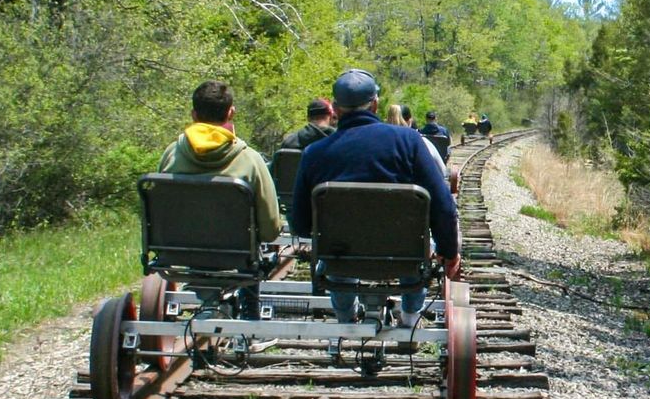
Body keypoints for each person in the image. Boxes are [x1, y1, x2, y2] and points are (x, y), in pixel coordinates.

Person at [290, 69, 461, 327]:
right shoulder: (410, 141)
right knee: (417, 241)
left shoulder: (314, 153)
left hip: (342, 261)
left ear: (335, 108)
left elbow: (300, 225)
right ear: (376, 103)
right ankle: (411, 316)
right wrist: (449, 251)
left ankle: (346, 317)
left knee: (335, 248)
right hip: (405, 261)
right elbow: (443, 205)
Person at [159, 80, 280, 317]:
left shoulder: (171, 155)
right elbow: (270, 228)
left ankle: (210, 303)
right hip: (237, 256)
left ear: (194, 114)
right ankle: (250, 314)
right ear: (231, 112)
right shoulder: (250, 160)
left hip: (181, 250)